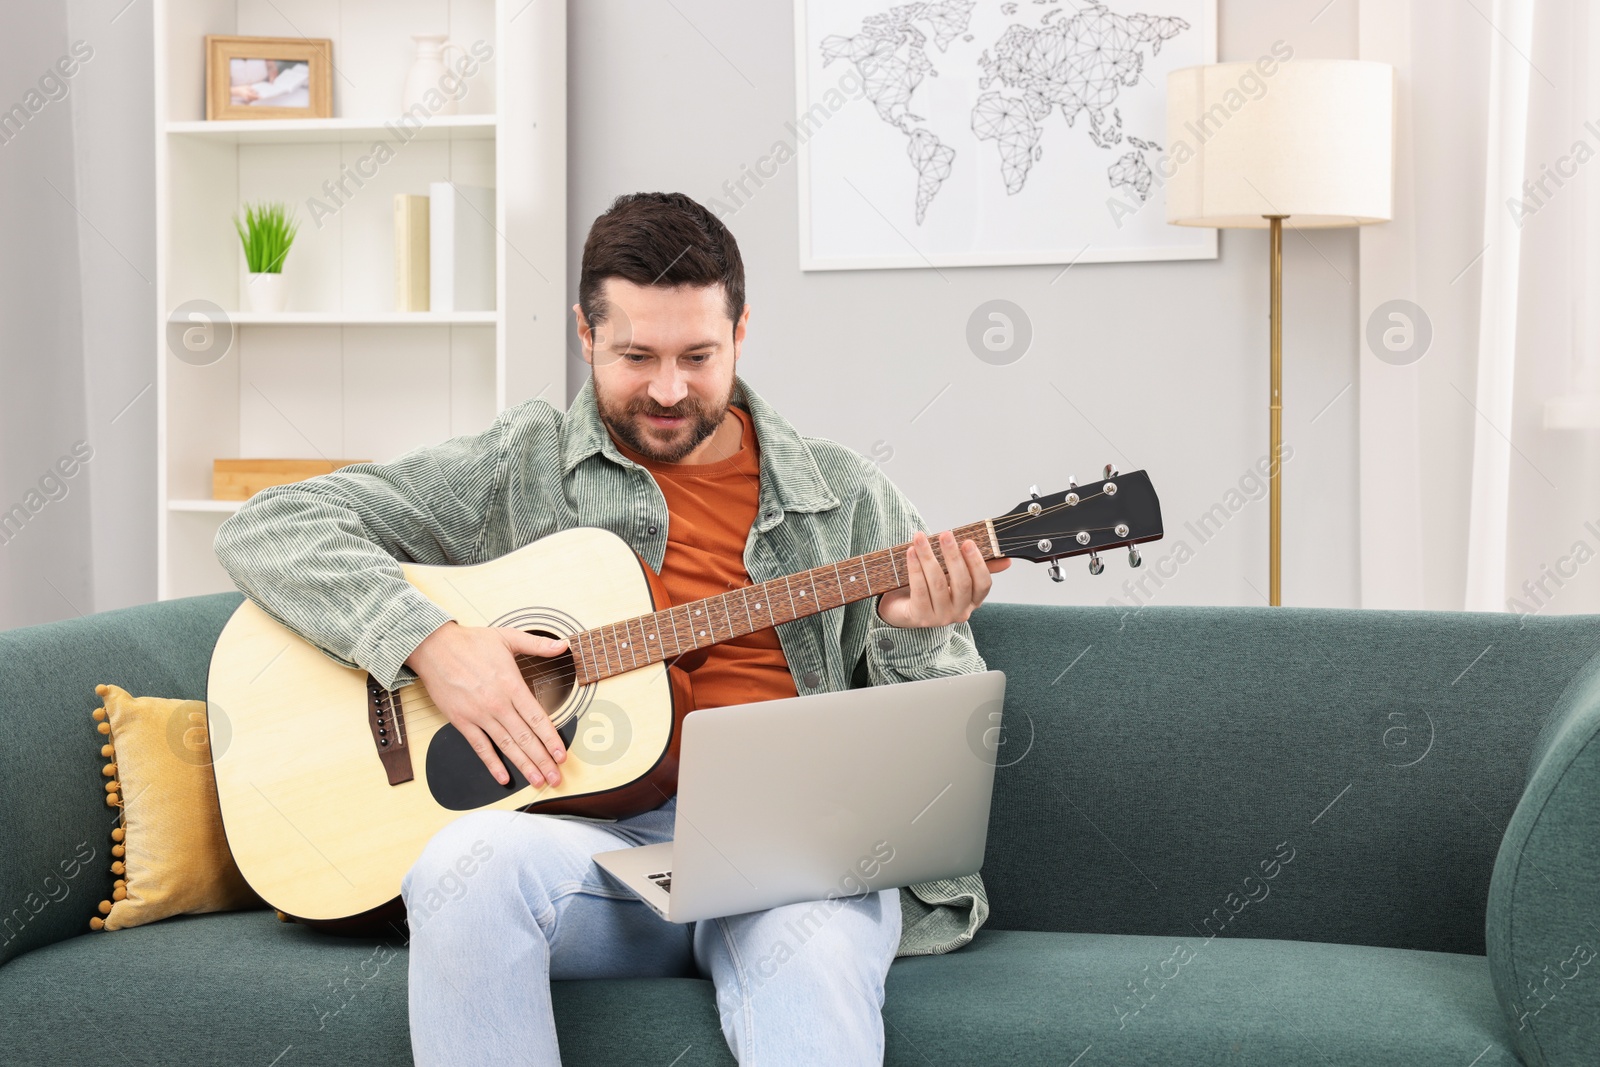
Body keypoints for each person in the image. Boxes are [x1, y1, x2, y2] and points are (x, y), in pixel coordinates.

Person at [213, 191, 1009, 1065]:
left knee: (812, 961)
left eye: (698, 355)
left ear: (742, 334)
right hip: (592, 852)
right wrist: (432, 644)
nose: (669, 389)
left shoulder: (848, 497)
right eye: (637, 354)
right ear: (585, 337)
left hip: (793, 857)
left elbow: (935, 773)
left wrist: (918, 634)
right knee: (458, 871)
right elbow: (271, 524)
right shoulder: (522, 464)